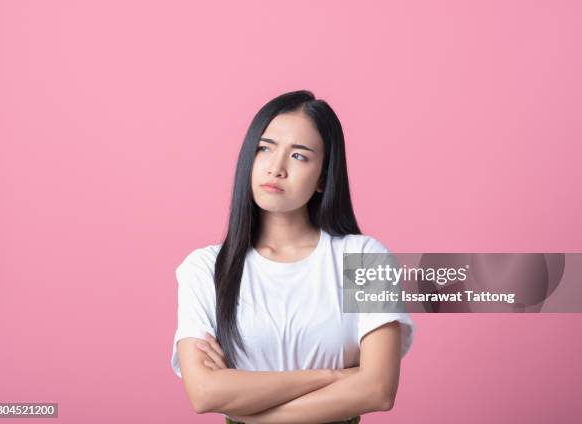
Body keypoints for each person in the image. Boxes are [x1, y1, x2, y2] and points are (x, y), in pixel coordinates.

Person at [170, 90, 415, 423]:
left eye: (299, 156)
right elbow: (204, 393)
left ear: (322, 179)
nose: (276, 167)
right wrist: (332, 376)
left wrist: (251, 413)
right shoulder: (205, 268)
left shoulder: (364, 258)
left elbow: (377, 390)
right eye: (264, 148)